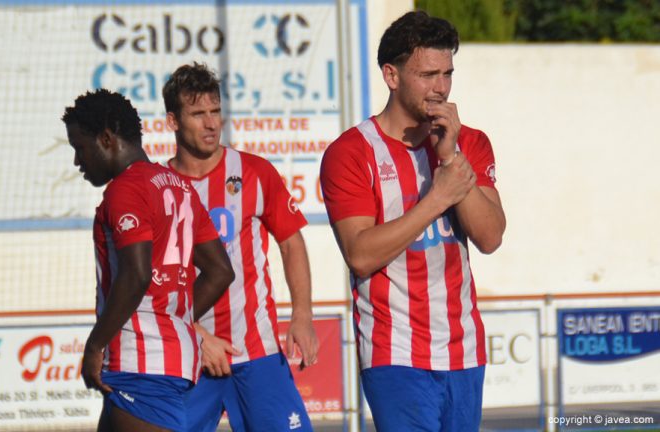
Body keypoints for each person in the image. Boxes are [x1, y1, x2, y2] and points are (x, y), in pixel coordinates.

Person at [320, 11, 506, 432]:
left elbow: (490, 236)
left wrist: (449, 155)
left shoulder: (469, 142)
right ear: (391, 75)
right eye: (427, 74)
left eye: (447, 73)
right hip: (395, 352)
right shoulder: (350, 153)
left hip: (463, 351)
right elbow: (360, 255)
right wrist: (436, 198)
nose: (440, 87)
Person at [61, 89, 234, 432]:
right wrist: (172, 318)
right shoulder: (180, 188)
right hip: (168, 357)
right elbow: (220, 271)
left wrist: (95, 345)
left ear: (107, 138)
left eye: (79, 148)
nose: (78, 161)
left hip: (141, 360)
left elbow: (136, 273)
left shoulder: (125, 189)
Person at [161, 63, 318, 432]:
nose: (211, 123)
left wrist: (302, 315)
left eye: (215, 111)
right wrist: (198, 337)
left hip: (257, 351)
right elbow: (151, 283)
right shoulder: (157, 187)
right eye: (198, 114)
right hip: (189, 357)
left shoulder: (254, 172)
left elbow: (291, 241)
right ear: (173, 121)